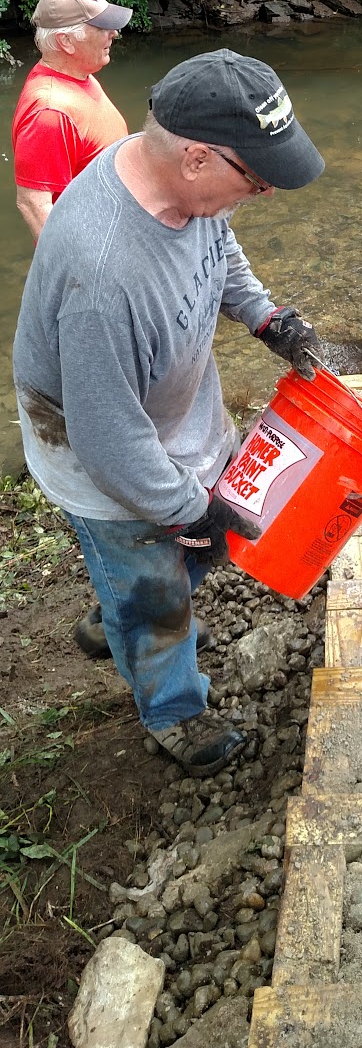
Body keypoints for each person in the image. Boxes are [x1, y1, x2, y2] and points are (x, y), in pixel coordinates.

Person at [13, 49, 326, 776]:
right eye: (255, 178)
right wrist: (191, 510)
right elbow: (108, 442)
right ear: (195, 157)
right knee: (156, 580)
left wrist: (266, 317)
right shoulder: (106, 274)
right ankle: (173, 710)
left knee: (190, 552)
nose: (266, 192)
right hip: (101, 453)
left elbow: (220, 245)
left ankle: (113, 613)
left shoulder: (180, 188)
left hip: (165, 421)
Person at [12, 0, 132, 241]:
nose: (114, 33)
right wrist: (82, 276)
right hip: (94, 257)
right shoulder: (50, 113)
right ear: (66, 41)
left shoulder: (80, 75)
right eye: (102, 27)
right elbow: (34, 205)